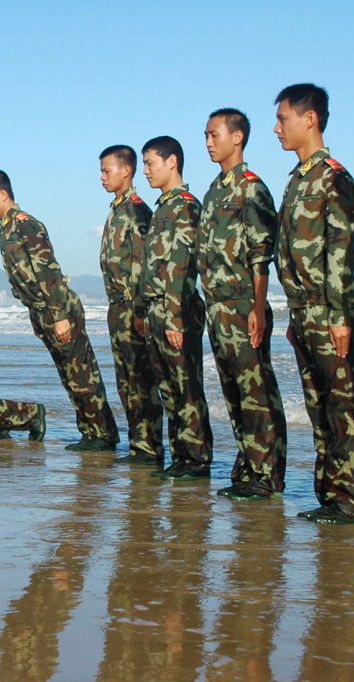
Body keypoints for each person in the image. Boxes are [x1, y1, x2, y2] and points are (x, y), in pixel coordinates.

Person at [273, 83, 354, 523]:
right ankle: (332, 494)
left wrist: (339, 316)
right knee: (318, 403)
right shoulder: (297, 181)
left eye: (283, 118)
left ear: (309, 118)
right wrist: (296, 314)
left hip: (331, 312)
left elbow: (340, 254)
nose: (277, 128)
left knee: (343, 405)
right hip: (305, 312)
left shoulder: (335, 177)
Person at [0, 170, 119, 451]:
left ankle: (104, 435)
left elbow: (48, 273)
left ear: (2, 195)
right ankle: (90, 433)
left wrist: (59, 316)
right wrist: (36, 316)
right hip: (43, 311)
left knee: (82, 376)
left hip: (59, 309)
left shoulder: (26, 225)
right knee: (69, 377)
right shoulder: (7, 228)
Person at [195, 108, 287, 500]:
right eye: (205, 135)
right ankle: (249, 465)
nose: (209, 141)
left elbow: (260, 254)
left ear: (237, 137)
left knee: (256, 392)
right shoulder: (214, 190)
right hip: (217, 308)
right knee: (233, 393)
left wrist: (258, 307)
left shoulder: (252, 188)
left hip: (243, 304)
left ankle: (267, 475)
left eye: (215, 134)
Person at [140, 136, 213, 481]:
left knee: (186, 387)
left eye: (150, 162)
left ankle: (197, 460)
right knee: (169, 389)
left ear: (172, 162)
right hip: (157, 311)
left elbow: (181, 267)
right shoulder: (162, 207)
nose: (146, 170)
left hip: (177, 311)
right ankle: (181, 455)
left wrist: (175, 317)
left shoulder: (185, 205)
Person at [98, 145, 164, 465]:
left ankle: (149, 446)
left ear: (126, 170)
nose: (102, 177)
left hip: (132, 308)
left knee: (140, 379)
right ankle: (137, 442)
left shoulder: (137, 210)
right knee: (125, 381)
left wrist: (140, 310)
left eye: (107, 170)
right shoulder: (117, 209)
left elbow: (143, 264)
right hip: (117, 307)